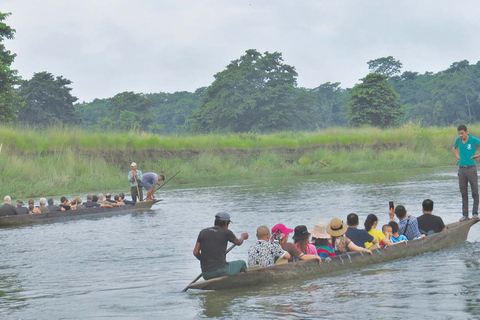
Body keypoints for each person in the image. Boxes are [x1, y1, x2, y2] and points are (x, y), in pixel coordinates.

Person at [193, 212, 249, 280]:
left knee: (224, 266)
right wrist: (242, 237)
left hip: (206, 274)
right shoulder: (227, 232)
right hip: (221, 271)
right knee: (242, 263)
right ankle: (245, 280)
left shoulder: (203, 232)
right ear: (226, 223)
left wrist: (206, 260)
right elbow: (239, 242)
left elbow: (195, 252)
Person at [453, 125, 480, 221]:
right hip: (462, 169)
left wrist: (477, 155)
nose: (461, 135)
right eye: (459, 133)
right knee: (463, 192)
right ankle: (465, 215)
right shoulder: (458, 140)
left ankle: (475, 213)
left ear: (466, 132)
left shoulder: (473, 140)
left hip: (471, 168)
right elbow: (454, 147)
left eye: (462, 133)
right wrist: (457, 155)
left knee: (475, 191)